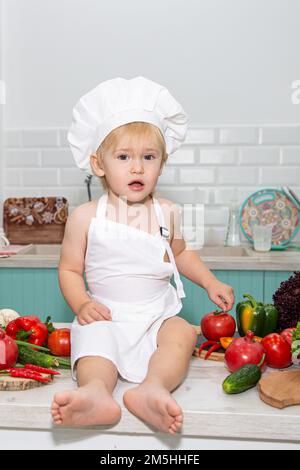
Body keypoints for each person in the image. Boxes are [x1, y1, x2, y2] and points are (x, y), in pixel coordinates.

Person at [51, 76, 235, 434]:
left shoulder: (167, 211)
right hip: (107, 313)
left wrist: (209, 280)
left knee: (181, 332)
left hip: (155, 316)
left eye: (148, 157)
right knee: (94, 341)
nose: (137, 167)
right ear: (99, 163)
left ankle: (153, 388)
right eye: (124, 157)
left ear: (161, 164)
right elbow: (69, 270)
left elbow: (180, 255)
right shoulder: (86, 216)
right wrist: (81, 304)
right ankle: (96, 392)